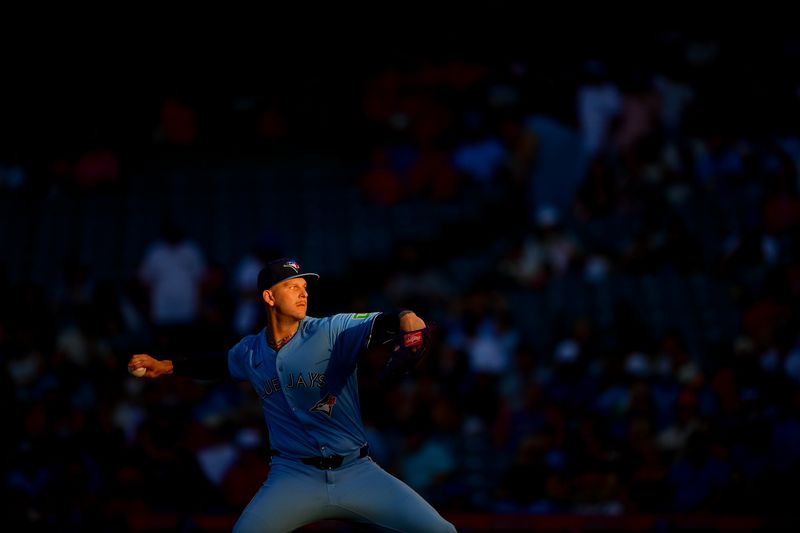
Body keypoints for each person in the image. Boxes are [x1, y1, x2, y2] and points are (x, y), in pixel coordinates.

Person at [128, 257, 457, 532]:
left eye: (304, 287)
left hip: (357, 471)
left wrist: (405, 317)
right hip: (293, 476)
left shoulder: (331, 330)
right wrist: (166, 365)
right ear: (269, 297)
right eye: (292, 287)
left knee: (442, 532)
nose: (303, 294)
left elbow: (383, 322)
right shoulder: (250, 351)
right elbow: (217, 364)